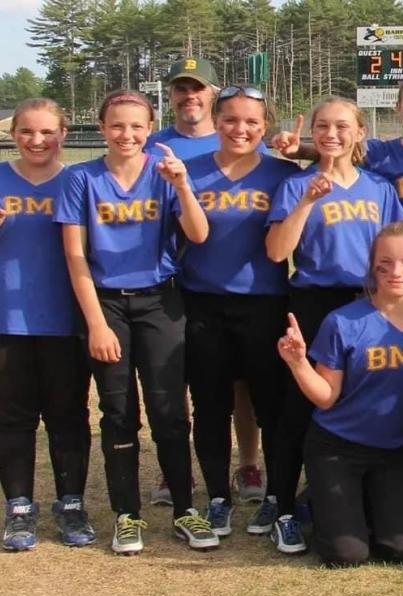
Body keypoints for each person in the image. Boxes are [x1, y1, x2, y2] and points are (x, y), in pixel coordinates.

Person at [55, 89, 217, 554]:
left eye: (137, 126)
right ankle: (127, 515)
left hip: (160, 302)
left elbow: (199, 233)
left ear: (151, 129)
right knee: (119, 413)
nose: (127, 134)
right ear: (102, 128)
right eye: (117, 125)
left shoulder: (164, 173)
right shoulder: (81, 178)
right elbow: (75, 255)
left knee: (169, 412)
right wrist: (97, 323)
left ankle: (186, 509)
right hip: (105, 305)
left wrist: (183, 184)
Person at [266, 96, 403, 553]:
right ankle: (281, 504)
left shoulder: (379, 188)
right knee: (299, 405)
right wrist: (308, 199)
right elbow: (275, 251)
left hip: (369, 302)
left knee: (363, 398)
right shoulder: (295, 184)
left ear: (360, 132)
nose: (331, 134)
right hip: (313, 301)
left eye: (342, 125)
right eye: (322, 126)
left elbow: (399, 248)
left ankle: (349, 495)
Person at [277, 222, 403, 566]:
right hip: (337, 448)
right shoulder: (343, 321)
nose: (396, 271)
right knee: (347, 555)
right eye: (385, 262)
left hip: (396, 452)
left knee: (399, 549)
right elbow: (326, 397)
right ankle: (317, 500)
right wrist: (298, 363)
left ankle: (357, 505)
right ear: (372, 266)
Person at [180, 85, 301, 538]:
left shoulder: (283, 173)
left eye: (252, 121)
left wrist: (301, 146)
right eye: (230, 119)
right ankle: (217, 497)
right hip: (202, 302)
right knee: (211, 406)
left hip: (264, 302)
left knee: (271, 407)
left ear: (265, 126)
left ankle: (275, 497)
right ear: (215, 121)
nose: (241, 129)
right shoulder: (187, 172)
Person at [146, 56, 266, 505]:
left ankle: (248, 463)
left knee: (241, 387)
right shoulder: (155, 146)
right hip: (179, 282)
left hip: (246, 288)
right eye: (181, 88)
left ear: (213, 96)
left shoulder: (249, 145)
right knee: (180, 381)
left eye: (198, 88)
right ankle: (171, 469)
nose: (189, 96)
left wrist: (303, 149)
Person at [271, 72, 403, 315]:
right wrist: (300, 151)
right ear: (397, 107)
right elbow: (342, 148)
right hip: (397, 270)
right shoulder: (380, 155)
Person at [0, 98, 93, 551]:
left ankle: (70, 504)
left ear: (63, 134)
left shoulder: (80, 180)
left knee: (69, 416)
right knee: (12, 418)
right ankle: (20, 508)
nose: (36, 140)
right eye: (27, 131)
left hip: (66, 320)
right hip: (1, 319)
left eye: (47, 132)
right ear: (13, 135)